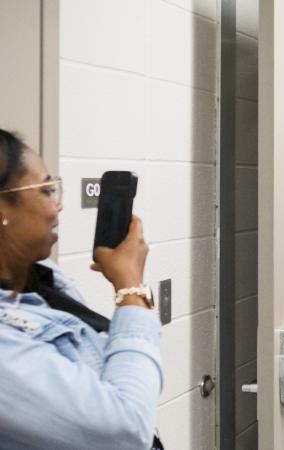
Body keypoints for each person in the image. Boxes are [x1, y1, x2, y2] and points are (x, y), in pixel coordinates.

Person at [0, 128, 162, 449]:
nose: (57, 206)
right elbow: (124, 430)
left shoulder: (44, 281)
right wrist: (131, 289)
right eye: (46, 190)